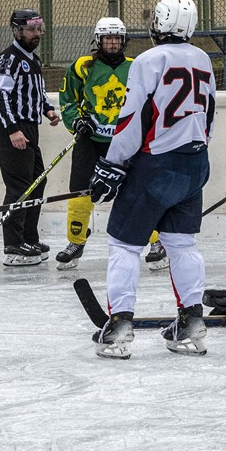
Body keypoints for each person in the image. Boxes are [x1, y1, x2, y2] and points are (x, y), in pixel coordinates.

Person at [90, 0, 216, 360]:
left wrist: (113, 163)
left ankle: (119, 328)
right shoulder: (203, 58)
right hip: (196, 163)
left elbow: (131, 118)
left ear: (159, 24)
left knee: (124, 245)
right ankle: (192, 323)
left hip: (157, 166)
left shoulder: (148, 60)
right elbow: (209, 116)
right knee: (182, 245)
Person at [54, 17, 167, 271]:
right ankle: (75, 242)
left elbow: (150, 101)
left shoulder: (136, 66)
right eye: (108, 38)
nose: (113, 43)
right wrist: (77, 122)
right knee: (80, 193)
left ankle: (157, 242)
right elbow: (67, 99)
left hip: (126, 142)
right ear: (99, 40)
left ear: (124, 40)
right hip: (91, 141)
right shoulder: (82, 66)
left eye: (117, 38)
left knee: (138, 193)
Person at [0, 8, 60, 267]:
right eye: (31, 29)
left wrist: (48, 109)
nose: (36, 34)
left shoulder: (33, 60)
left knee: (38, 183)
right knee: (19, 187)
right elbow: (0, 96)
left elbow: (37, 94)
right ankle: (13, 244)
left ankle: (29, 237)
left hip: (30, 128)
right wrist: (12, 130)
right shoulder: (9, 59)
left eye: (38, 29)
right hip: (14, 129)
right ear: (16, 31)